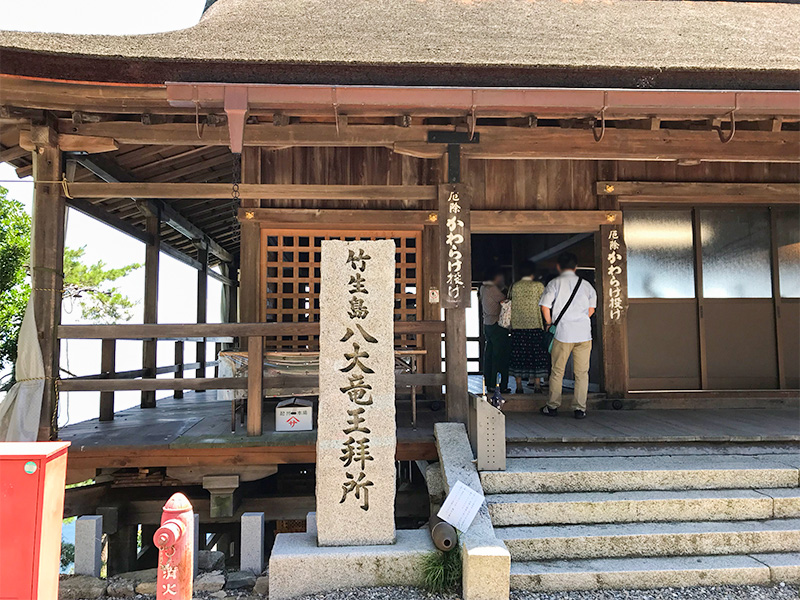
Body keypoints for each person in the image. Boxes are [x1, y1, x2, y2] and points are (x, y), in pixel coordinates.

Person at [539, 252, 597, 419]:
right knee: (582, 373)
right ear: (576, 267)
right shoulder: (586, 285)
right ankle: (580, 408)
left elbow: (545, 306)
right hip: (584, 333)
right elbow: (591, 310)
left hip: (562, 332)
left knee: (557, 371)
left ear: (559, 267)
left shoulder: (554, 283)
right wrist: (580, 320)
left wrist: (549, 324)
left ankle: (552, 406)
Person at [508, 262, 548, 394]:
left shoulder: (515, 286)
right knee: (536, 355)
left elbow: (509, 301)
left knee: (518, 356)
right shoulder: (538, 286)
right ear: (533, 273)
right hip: (535, 325)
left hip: (518, 326)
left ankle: (519, 385)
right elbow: (544, 304)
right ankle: (537, 384)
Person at [480, 269, 510, 393]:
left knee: (489, 355)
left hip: (487, 324)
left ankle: (489, 383)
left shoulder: (482, 288)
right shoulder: (492, 288)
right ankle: (499, 385)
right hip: (497, 324)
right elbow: (505, 300)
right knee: (500, 356)